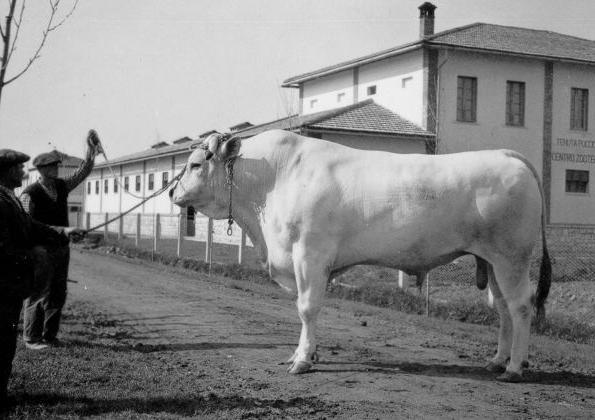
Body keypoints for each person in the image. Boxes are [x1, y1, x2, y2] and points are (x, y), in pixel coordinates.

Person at [0, 149, 83, 408]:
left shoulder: (8, 197)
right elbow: (3, 248)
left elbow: (31, 226)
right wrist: (33, 256)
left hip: (11, 285)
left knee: (5, 343)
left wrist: (65, 231)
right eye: (18, 168)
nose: (23, 173)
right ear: (5, 171)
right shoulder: (6, 200)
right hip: (3, 285)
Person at [21, 130, 100, 349]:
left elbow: (82, 173)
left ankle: (49, 336)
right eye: (53, 167)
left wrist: (91, 151)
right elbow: (28, 226)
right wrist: (62, 231)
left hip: (61, 249)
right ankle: (31, 338)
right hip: (40, 250)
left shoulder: (61, 187)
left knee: (57, 293)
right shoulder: (29, 194)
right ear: (43, 170)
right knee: (38, 293)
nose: (57, 169)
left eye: (57, 166)